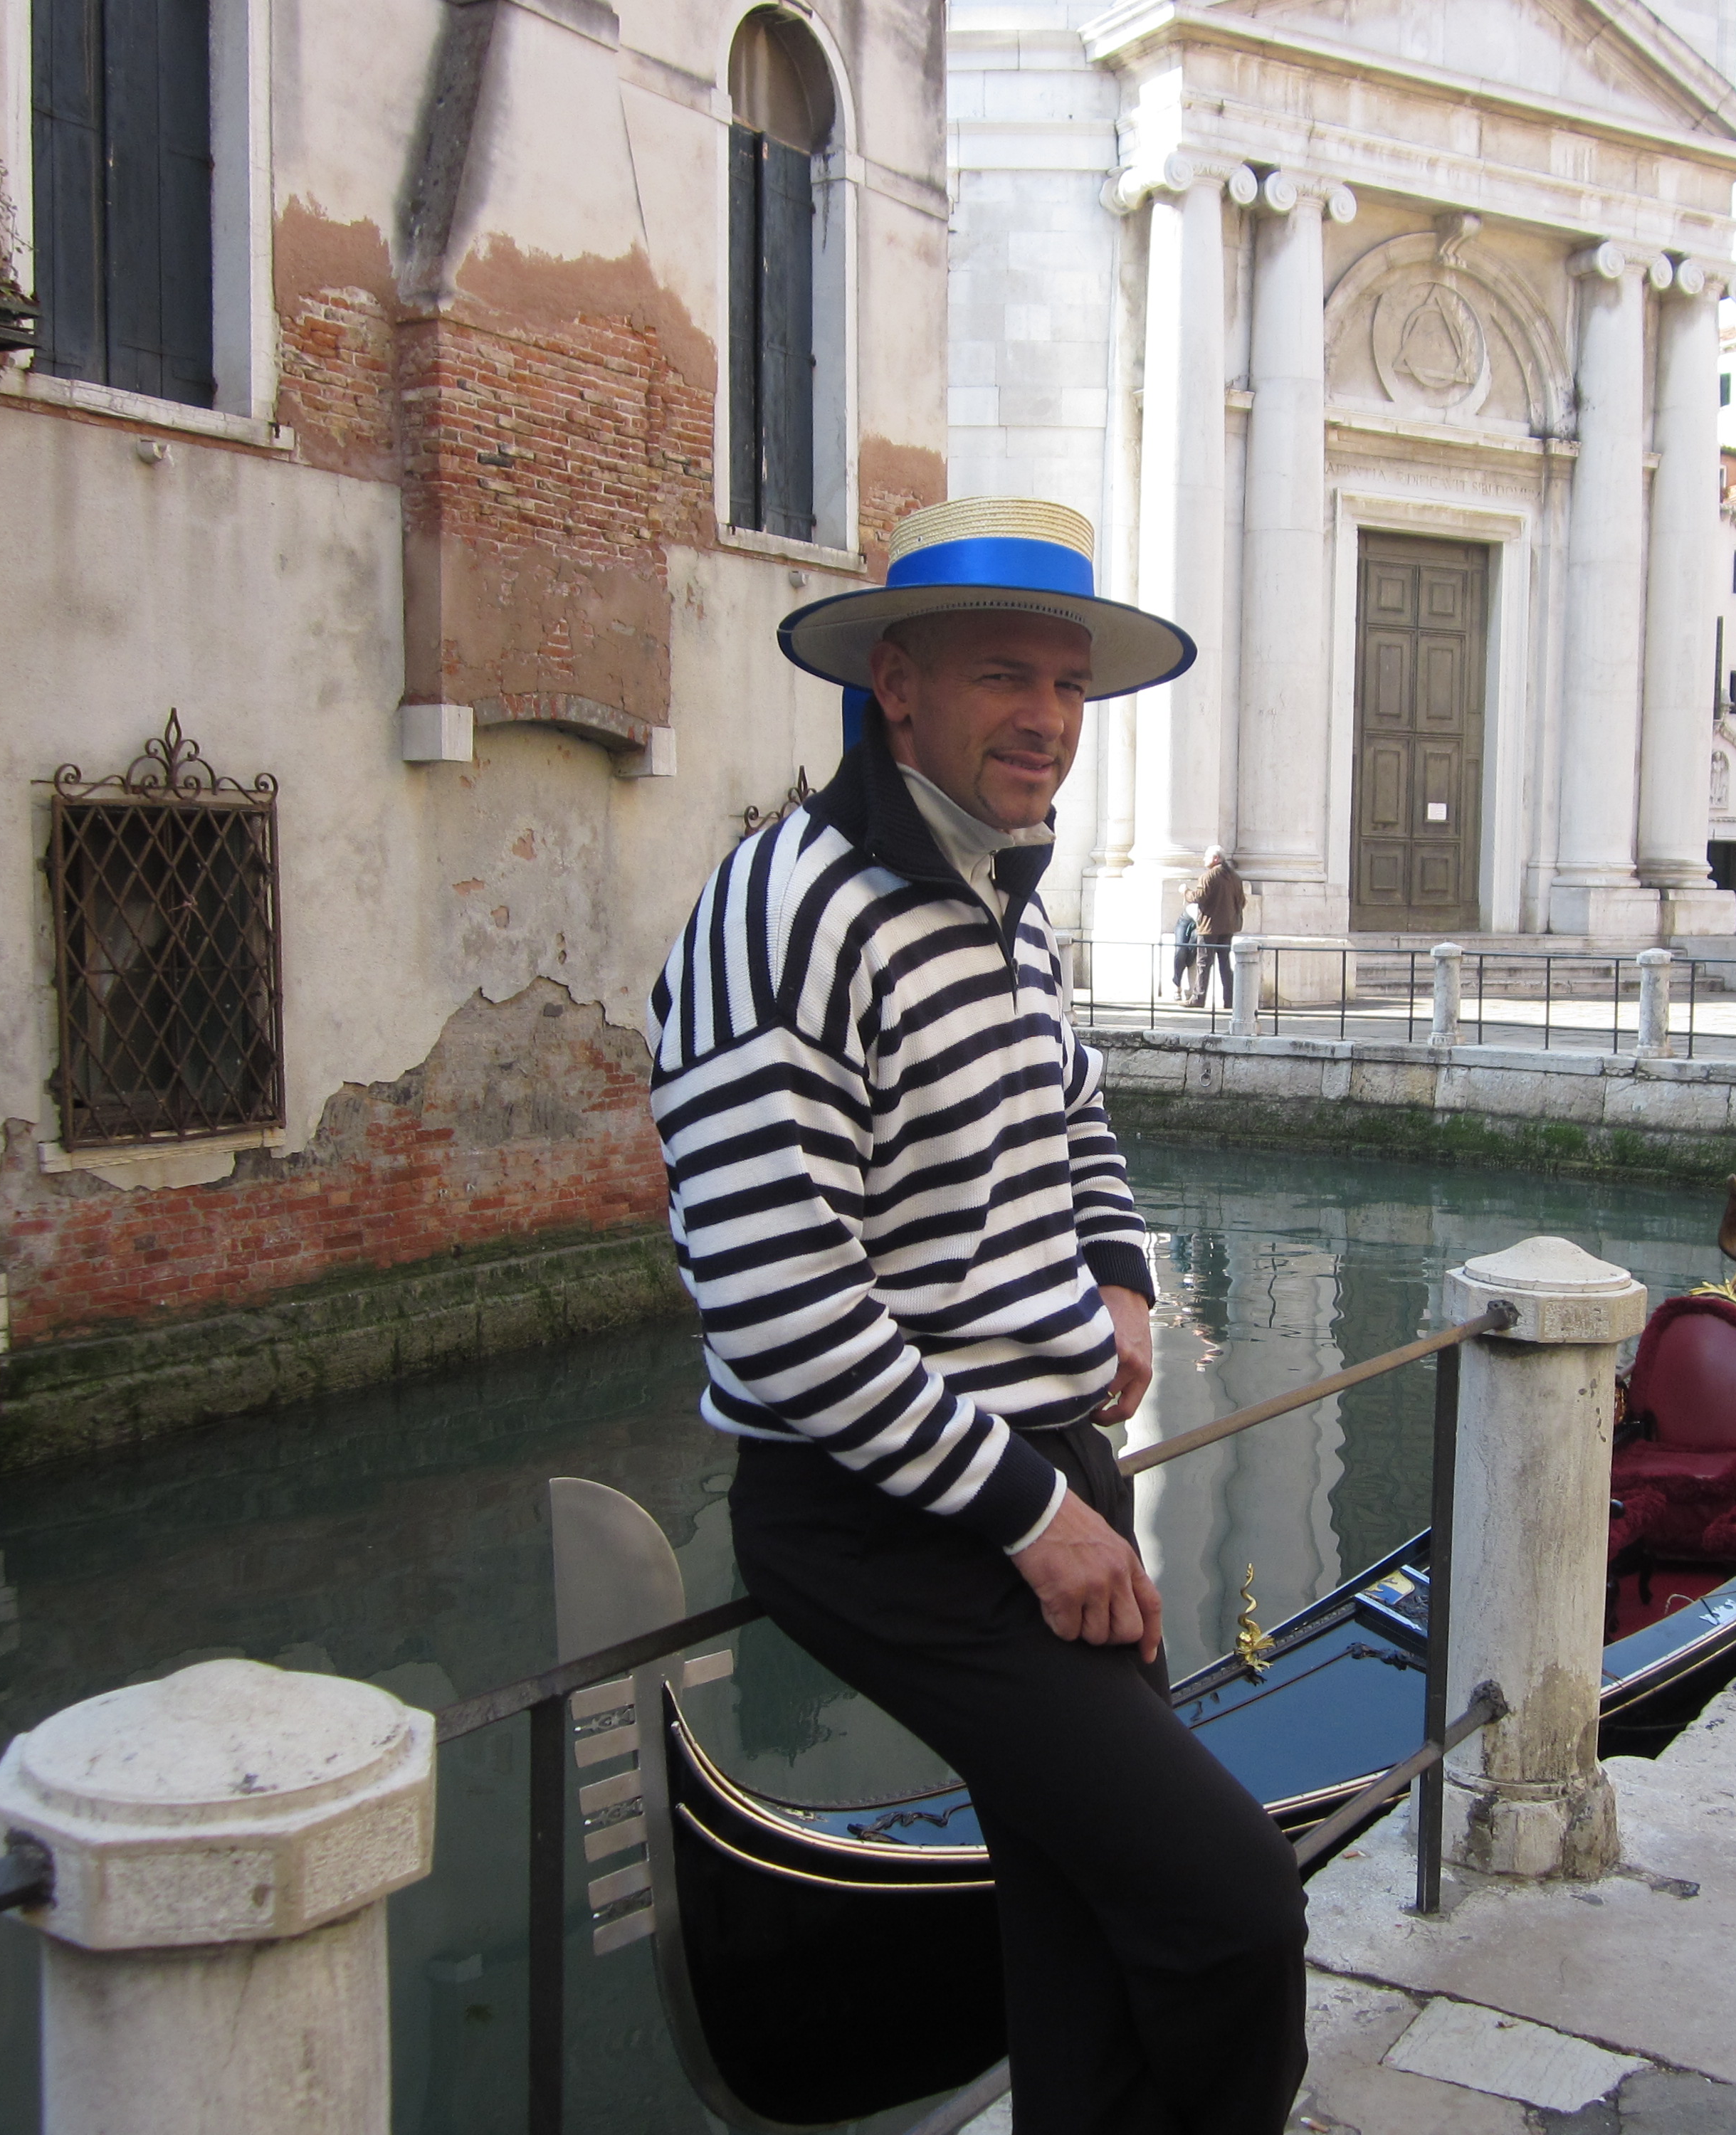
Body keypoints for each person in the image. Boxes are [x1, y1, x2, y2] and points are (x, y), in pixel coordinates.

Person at [648, 496, 1308, 2135]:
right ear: (897, 686)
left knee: (1087, 1916)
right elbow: (779, 1305)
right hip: (892, 1513)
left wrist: (1124, 1276)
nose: (1047, 722)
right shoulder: (783, 911)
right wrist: (1035, 1519)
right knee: (1231, 1904)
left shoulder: (998, 897)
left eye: (1070, 685)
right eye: (1005, 675)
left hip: (1049, 1477)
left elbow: (1073, 1112)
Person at [1193, 845, 1246, 1008]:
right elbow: (1242, 902)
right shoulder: (1235, 878)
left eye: (1207, 857)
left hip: (1209, 927)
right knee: (1225, 964)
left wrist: (1186, 893)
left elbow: (1200, 897)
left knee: (1203, 963)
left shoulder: (1208, 877)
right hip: (1228, 926)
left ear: (1216, 859)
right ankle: (1229, 1000)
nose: (1204, 860)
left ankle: (1198, 998)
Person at [1170, 894, 1204, 1004]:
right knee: (1180, 950)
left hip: (1201, 925)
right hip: (1187, 919)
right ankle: (1177, 983)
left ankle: (1189, 988)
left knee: (1191, 952)